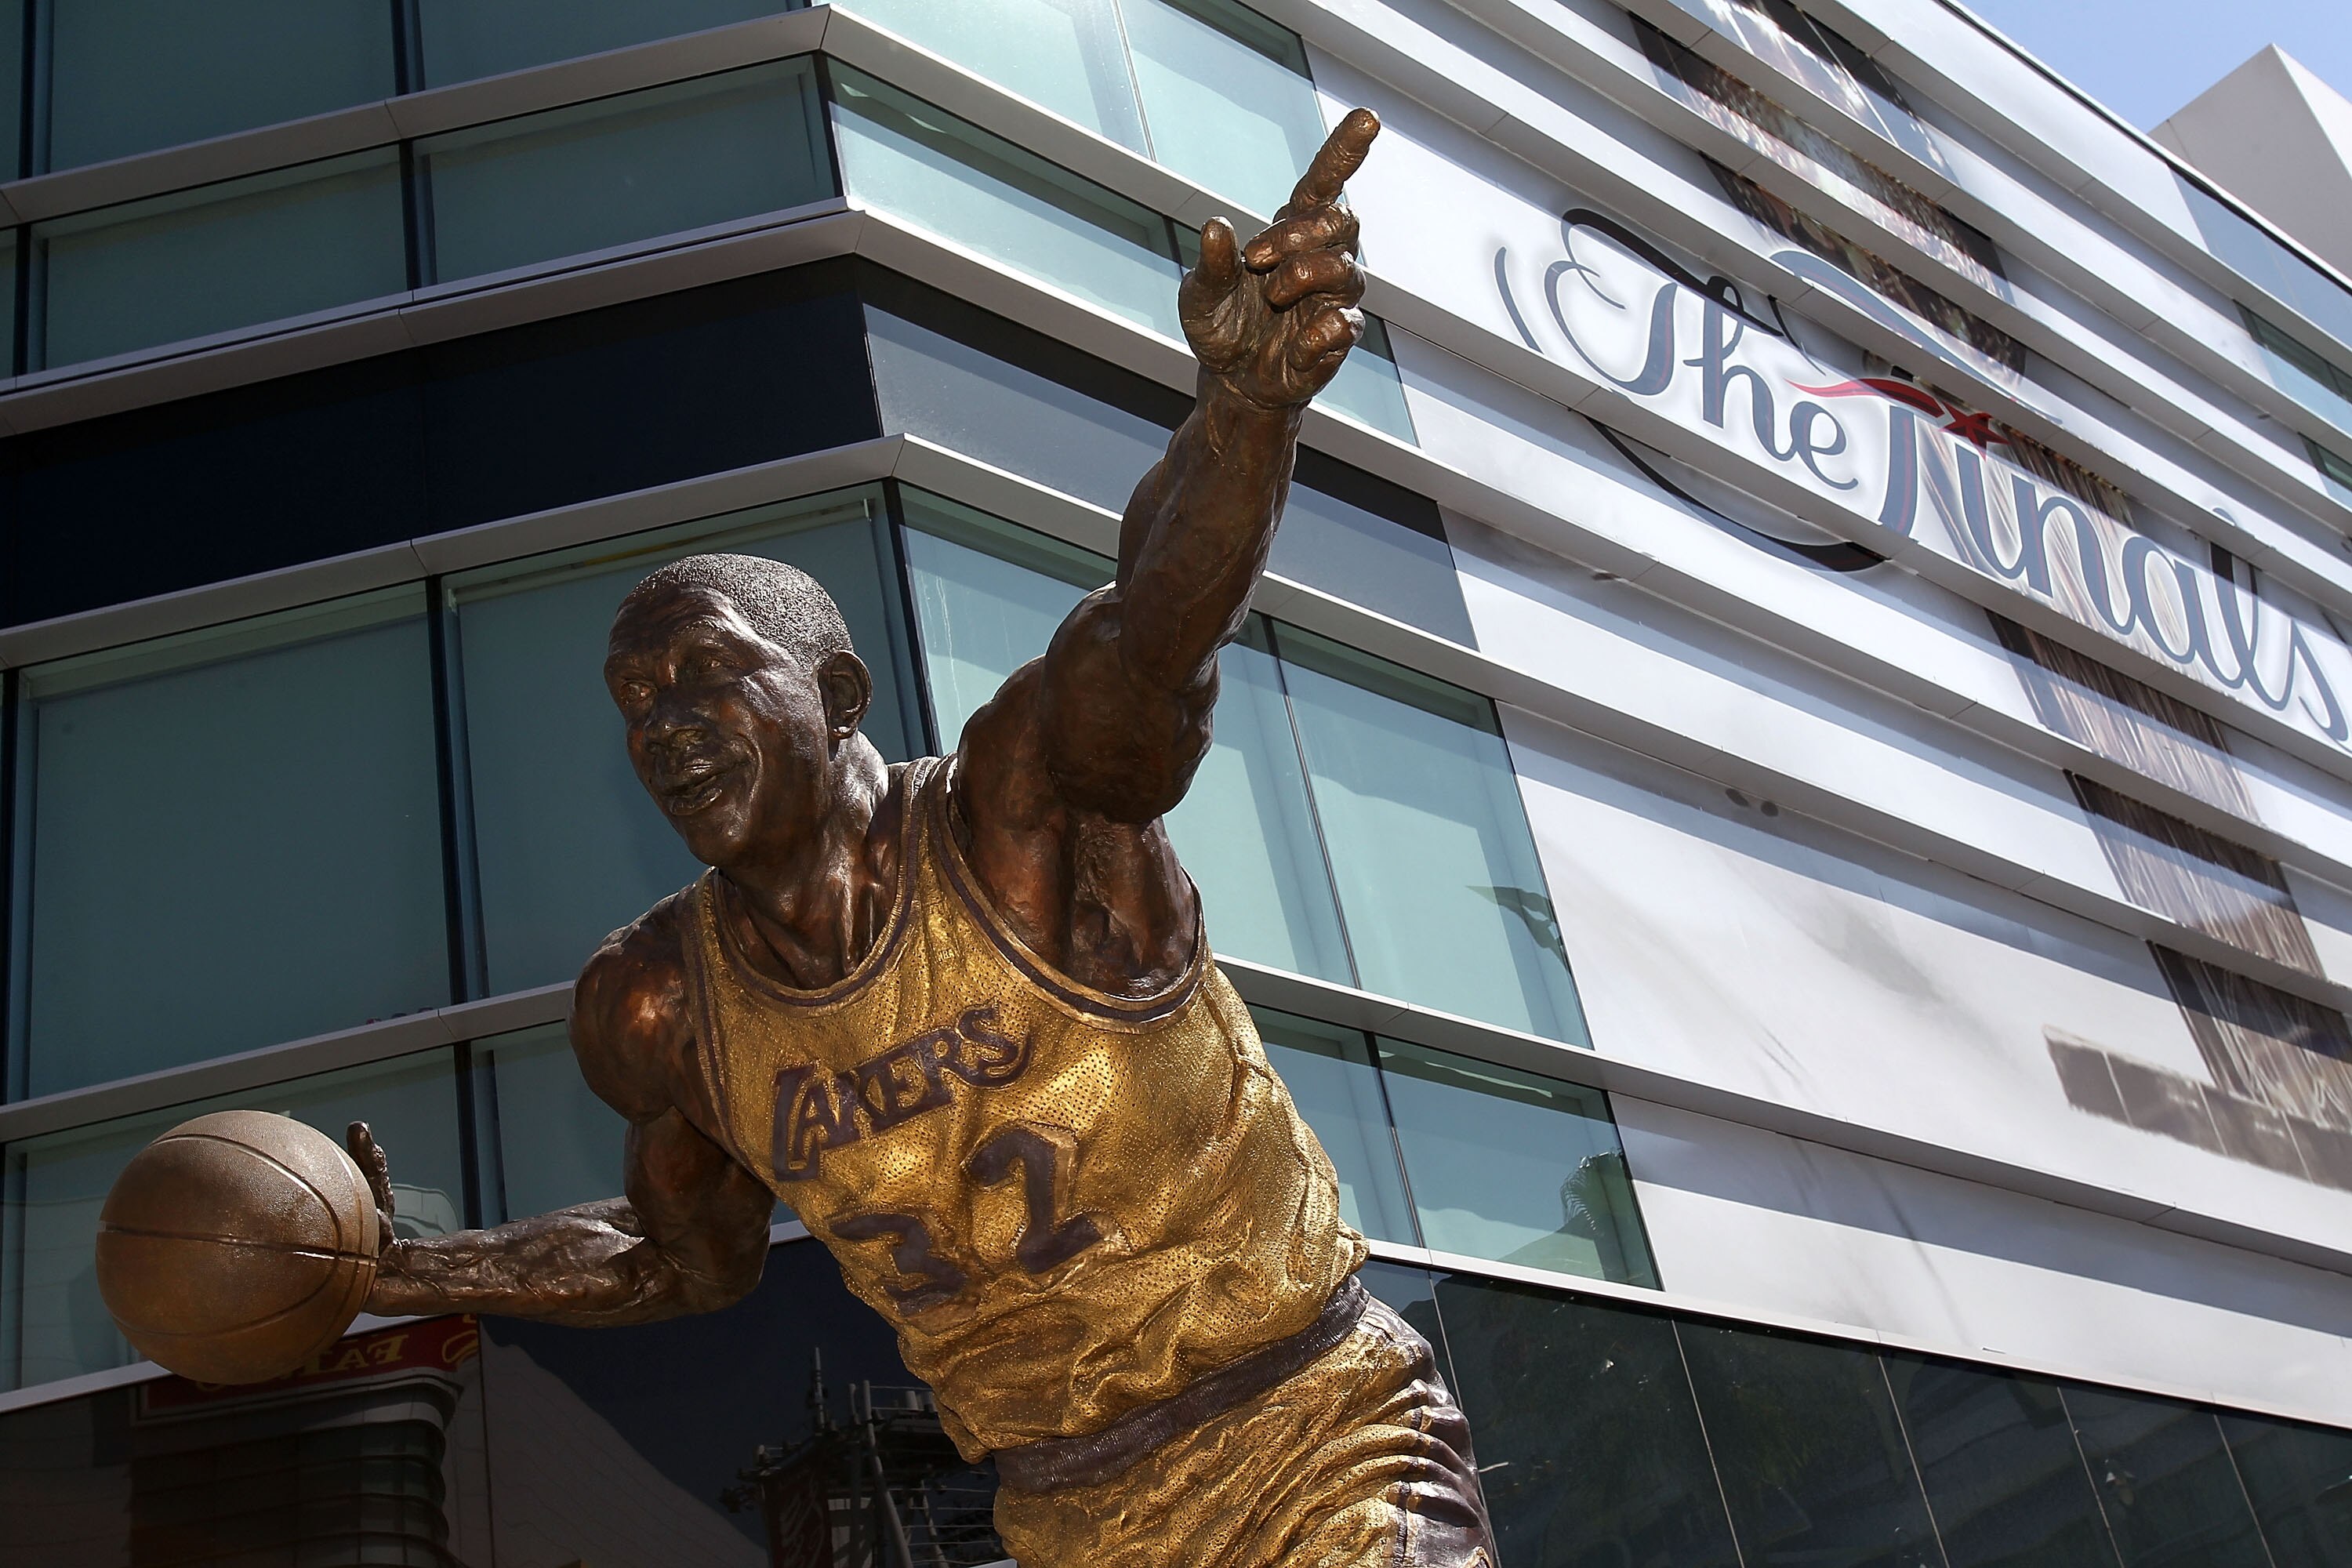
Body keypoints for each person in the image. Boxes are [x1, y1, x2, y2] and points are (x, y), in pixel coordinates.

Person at [351, 109, 1496, 1567]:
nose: (667, 724)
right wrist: (403, 1266)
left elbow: (1153, 624)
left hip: (1308, 1433)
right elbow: (675, 1261)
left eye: (708, 674)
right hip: (1070, 1514)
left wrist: (1245, 412)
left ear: (837, 696)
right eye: (637, 702)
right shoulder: (659, 1009)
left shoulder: (1017, 815)